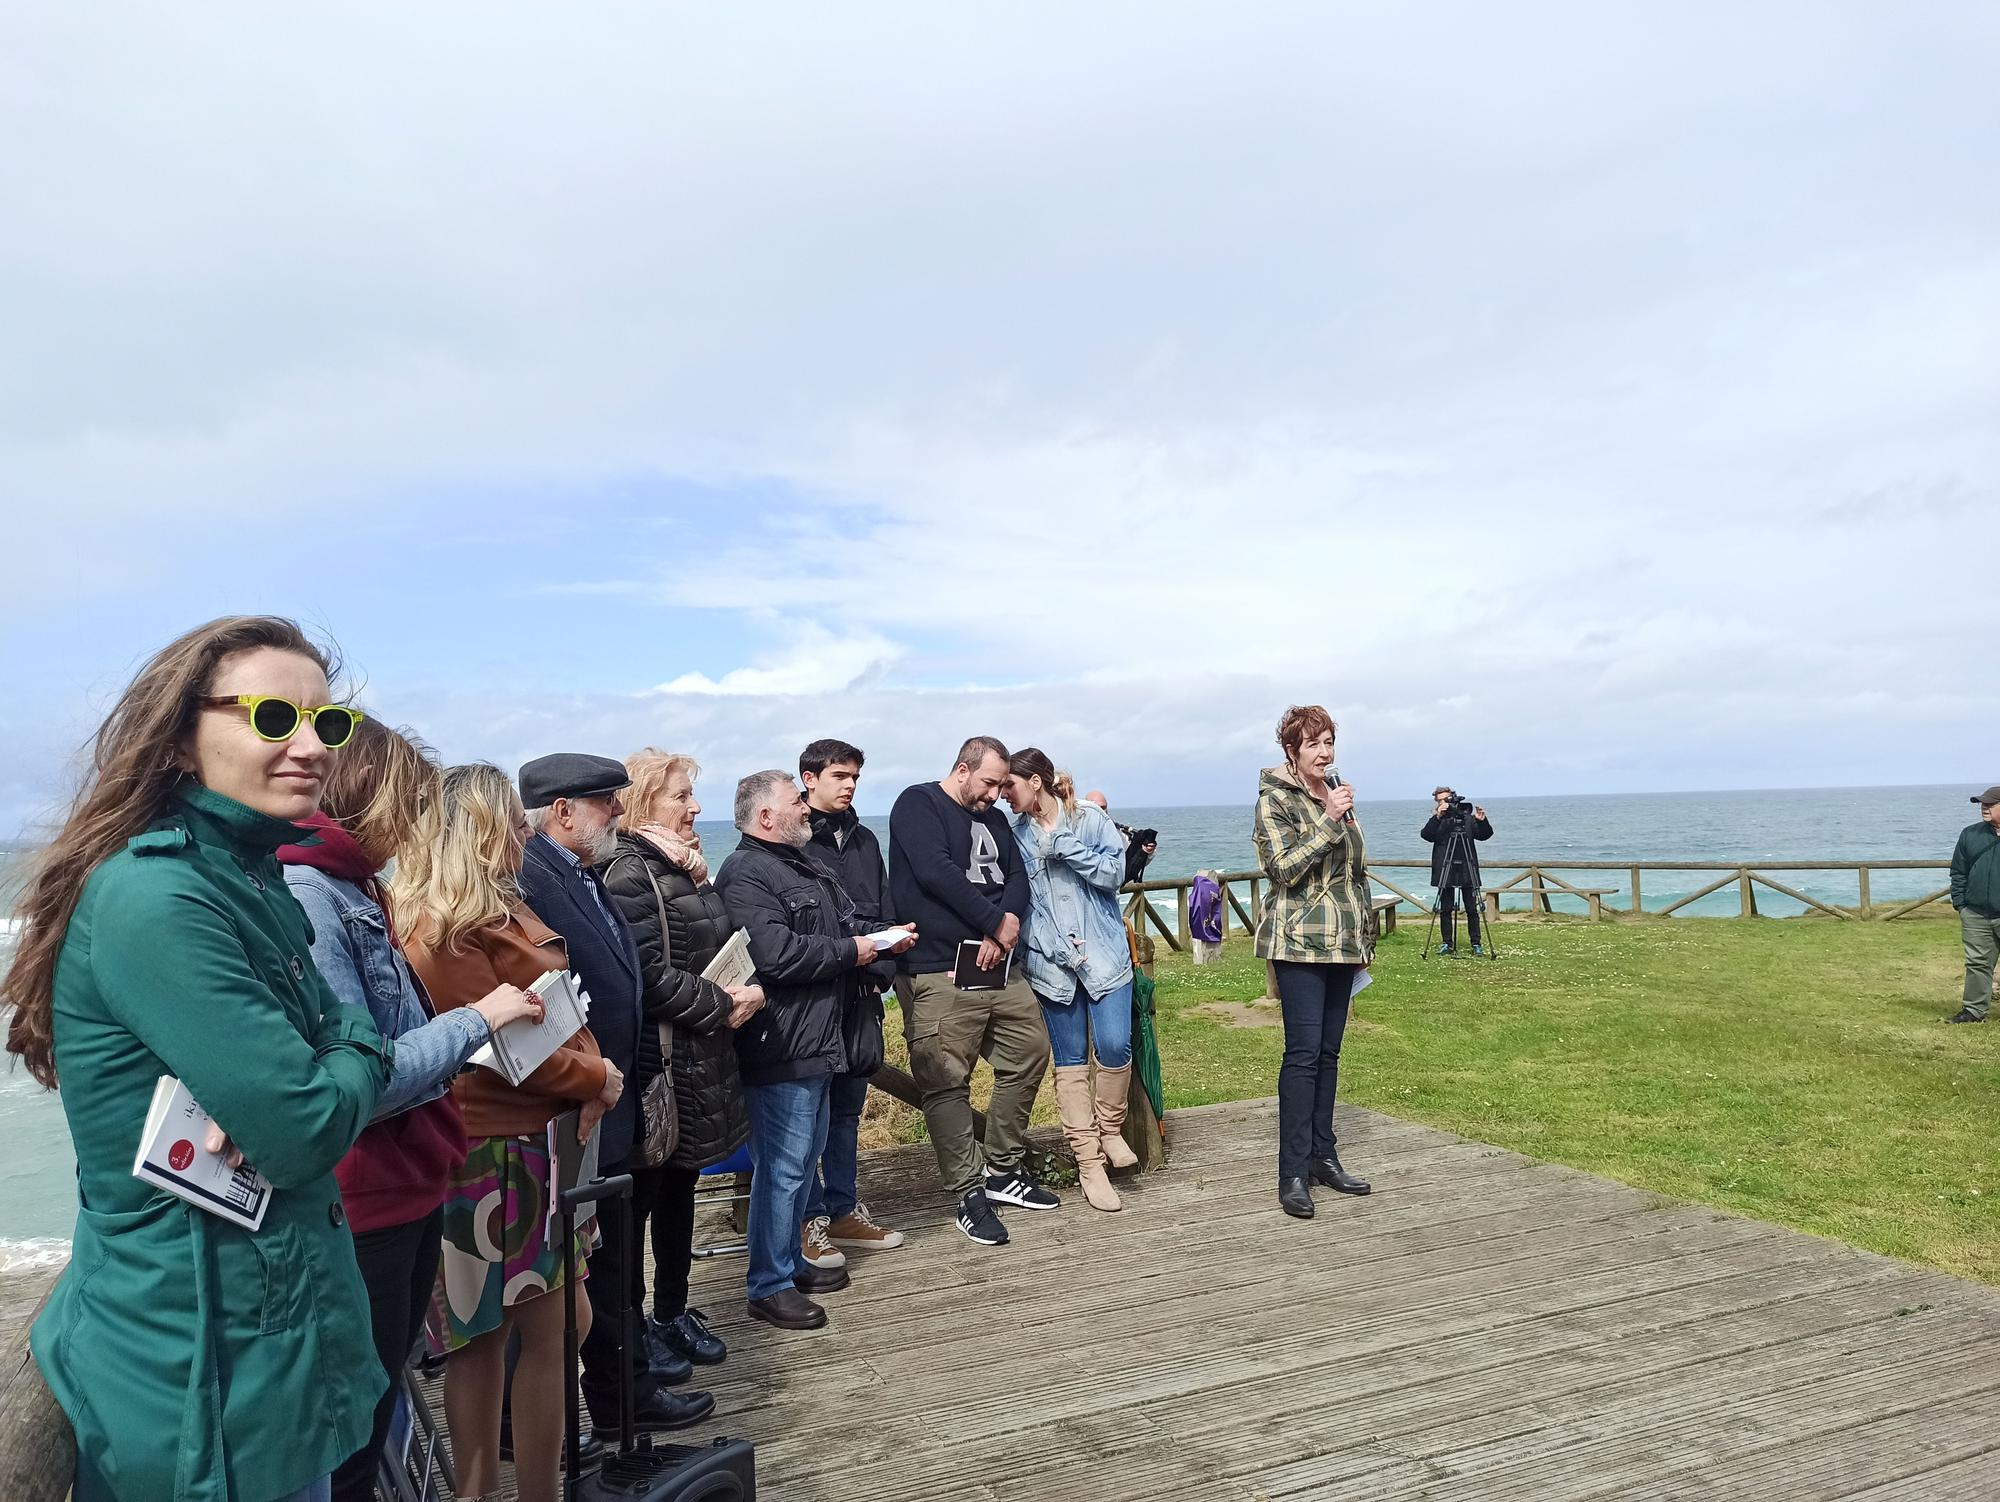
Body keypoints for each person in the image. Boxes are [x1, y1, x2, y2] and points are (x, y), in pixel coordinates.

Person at [4, 615, 389, 1502]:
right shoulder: (161, 896)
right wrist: (358, 1041)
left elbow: (309, 1078)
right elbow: (303, 1128)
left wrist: (329, 1051)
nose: (309, 746)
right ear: (181, 737)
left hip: (267, 1353)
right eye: (270, 718)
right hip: (199, 1381)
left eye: (328, 723)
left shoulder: (252, 876)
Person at [280, 720, 546, 1502]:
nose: (418, 824)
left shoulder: (353, 887)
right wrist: (478, 1022)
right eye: (412, 802)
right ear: (374, 797)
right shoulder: (314, 894)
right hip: (370, 1196)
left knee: (378, 1396)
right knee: (354, 1434)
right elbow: (360, 1079)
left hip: (408, 1182)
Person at [398, 764, 623, 1502]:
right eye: (506, 822)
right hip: (491, 1150)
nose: (518, 834)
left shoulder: (486, 909)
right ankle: (503, 1493)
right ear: (476, 829)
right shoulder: (444, 927)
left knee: (530, 1329)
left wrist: (589, 1070)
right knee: (502, 1334)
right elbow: (500, 1051)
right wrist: (596, 1078)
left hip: (531, 1145)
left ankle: (515, 1490)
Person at [515, 752, 713, 1433]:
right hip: (576, 1107)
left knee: (612, 1263)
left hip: (609, 1100)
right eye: (607, 802)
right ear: (563, 811)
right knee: (587, 1267)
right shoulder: (533, 878)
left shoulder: (579, 870)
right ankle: (600, 1407)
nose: (619, 814)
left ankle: (622, 1398)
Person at [714, 772, 914, 1330]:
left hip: (818, 1040)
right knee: (781, 1168)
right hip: (781, 1043)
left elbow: (847, 920)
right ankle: (768, 1285)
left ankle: (788, 1262)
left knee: (802, 1163)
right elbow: (777, 954)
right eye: (797, 801)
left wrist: (883, 944)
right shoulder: (746, 872)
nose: (807, 809)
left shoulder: (804, 865)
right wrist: (860, 949)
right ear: (765, 818)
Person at [599, 750, 757, 1374]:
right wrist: (722, 1003)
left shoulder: (684, 868)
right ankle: (636, 1329)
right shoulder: (627, 872)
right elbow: (644, 977)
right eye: (682, 797)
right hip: (662, 1063)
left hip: (697, 1056)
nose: (695, 808)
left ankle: (671, 1310)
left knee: (680, 1190)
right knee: (642, 1200)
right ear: (643, 804)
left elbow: (705, 946)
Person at [888, 735, 1057, 1246]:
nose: (994, 794)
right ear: (962, 770)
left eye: (1002, 785)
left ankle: (1002, 1168)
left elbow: (1018, 877)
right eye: (987, 783)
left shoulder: (997, 820)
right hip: (940, 968)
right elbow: (935, 873)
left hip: (997, 965)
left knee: (1029, 1052)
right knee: (945, 1080)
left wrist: (1004, 927)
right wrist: (992, 922)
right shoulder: (918, 804)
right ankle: (967, 1192)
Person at [1253, 704, 1376, 1221]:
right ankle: (1293, 1173)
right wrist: (1328, 821)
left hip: (1343, 945)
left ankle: (1325, 1156)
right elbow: (1282, 870)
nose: (1325, 753)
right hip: (1300, 944)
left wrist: (1366, 936)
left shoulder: (1338, 795)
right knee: (1302, 1054)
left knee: (1329, 1053)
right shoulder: (1272, 801)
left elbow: (1355, 873)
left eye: (1329, 742)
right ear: (1291, 751)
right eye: (1314, 744)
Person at [1002, 748, 1137, 1213]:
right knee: (1071, 1063)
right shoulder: (1013, 834)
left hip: (1105, 957)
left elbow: (1117, 874)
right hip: (1052, 966)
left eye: (1010, 787)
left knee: (1117, 1045)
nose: (1003, 795)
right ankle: (1088, 1162)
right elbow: (1020, 902)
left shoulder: (1091, 821)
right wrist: (1051, 947)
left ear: (1034, 782)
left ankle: (1111, 1130)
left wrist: (1067, 848)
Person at [799, 736, 906, 1268]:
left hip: (861, 998)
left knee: (846, 1112)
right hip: (814, 1001)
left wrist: (881, 970)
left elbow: (885, 909)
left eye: (855, 778)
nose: (849, 786)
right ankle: (808, 1219)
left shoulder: (864, 840)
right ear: (808, 779)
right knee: (808, 1114)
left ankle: (843, 1209)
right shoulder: (793, 841)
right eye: (840, 776)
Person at [1947, 785, 2000, 1023]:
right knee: (1977, 963)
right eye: (1982, 804)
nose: (1984, 808)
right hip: (1976, 913)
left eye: (1990, 804)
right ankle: (1974, 1011)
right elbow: (1958, 871)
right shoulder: (1970, 834)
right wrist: (1961, 904)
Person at [1421, 786, 1494, 956]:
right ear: (1437, 803)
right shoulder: (1438, 820)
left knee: (1471, 909)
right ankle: (1447, 943)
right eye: (1440, 800)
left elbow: (1484, 835)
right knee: (1445, 909)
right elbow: (1426, 835)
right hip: (1445, 868)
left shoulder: (1466, 818)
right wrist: (1438, 816)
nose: (1445, 803)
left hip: (1466, 868)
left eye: (1447, 799)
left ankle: (1476, 943)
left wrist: (1482, 821)